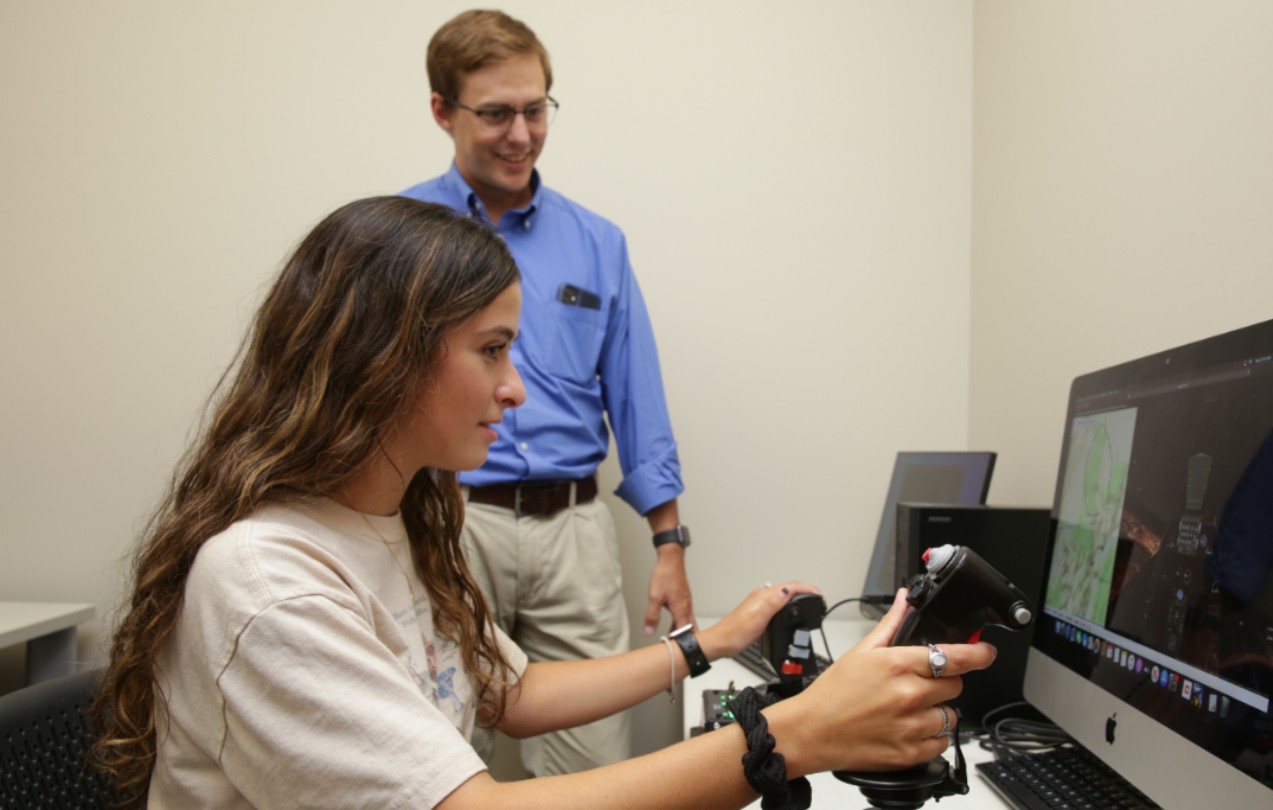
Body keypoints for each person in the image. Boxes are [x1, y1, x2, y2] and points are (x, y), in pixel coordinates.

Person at [90, 196, 996, 809]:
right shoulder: (271, 582)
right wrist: (787, 736)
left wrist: (706, 645)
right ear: (383, 355)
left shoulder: (389, 522)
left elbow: (509, 691)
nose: (517, 390)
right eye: (491, 350)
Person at [399, 9, 692, 776]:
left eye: (535, 110)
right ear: (443, 111)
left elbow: (637, 394)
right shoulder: (400, 235)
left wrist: (669, 543)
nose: (520, 134)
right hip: (446, 522)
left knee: (593, 767)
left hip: (573, 531)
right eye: (496, 113)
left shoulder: (597, 241)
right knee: (442, 759)